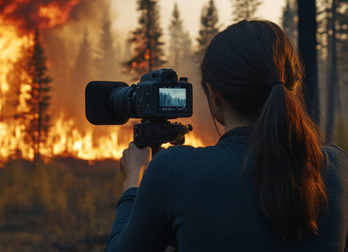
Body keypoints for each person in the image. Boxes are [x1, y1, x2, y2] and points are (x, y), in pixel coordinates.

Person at [104, 20, 348, 252]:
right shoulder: (337, 167)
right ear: (292, 85)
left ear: (214, 95)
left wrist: (133, 183)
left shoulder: (174, 170)